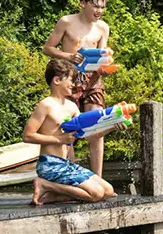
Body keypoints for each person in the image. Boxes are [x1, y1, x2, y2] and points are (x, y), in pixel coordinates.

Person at [23, 59, 116, 205]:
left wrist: (113, 125)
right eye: (71, 80)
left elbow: (89, 136)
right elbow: (27, 136)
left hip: (66, 164)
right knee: (97, 193)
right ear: (57, 80)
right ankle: (44, 184)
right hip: (50, 164)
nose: (73, 84)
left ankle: (51, 194)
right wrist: (59, 139)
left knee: (108, 191)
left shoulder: (72, 107)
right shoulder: (45, 105)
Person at [42, 0, 112, 177]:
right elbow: (48, 48)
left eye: (102, 7)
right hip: (70, 79)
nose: (99, 11)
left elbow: (102, 56)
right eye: (95, 6)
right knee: (68, 126)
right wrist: (68, 56)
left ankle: (97, 178)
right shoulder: (66, 22)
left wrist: (104, 68)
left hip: (93, 79)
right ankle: (70, 173)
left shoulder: (103, 27)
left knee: (97, 124)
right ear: (83, 3)